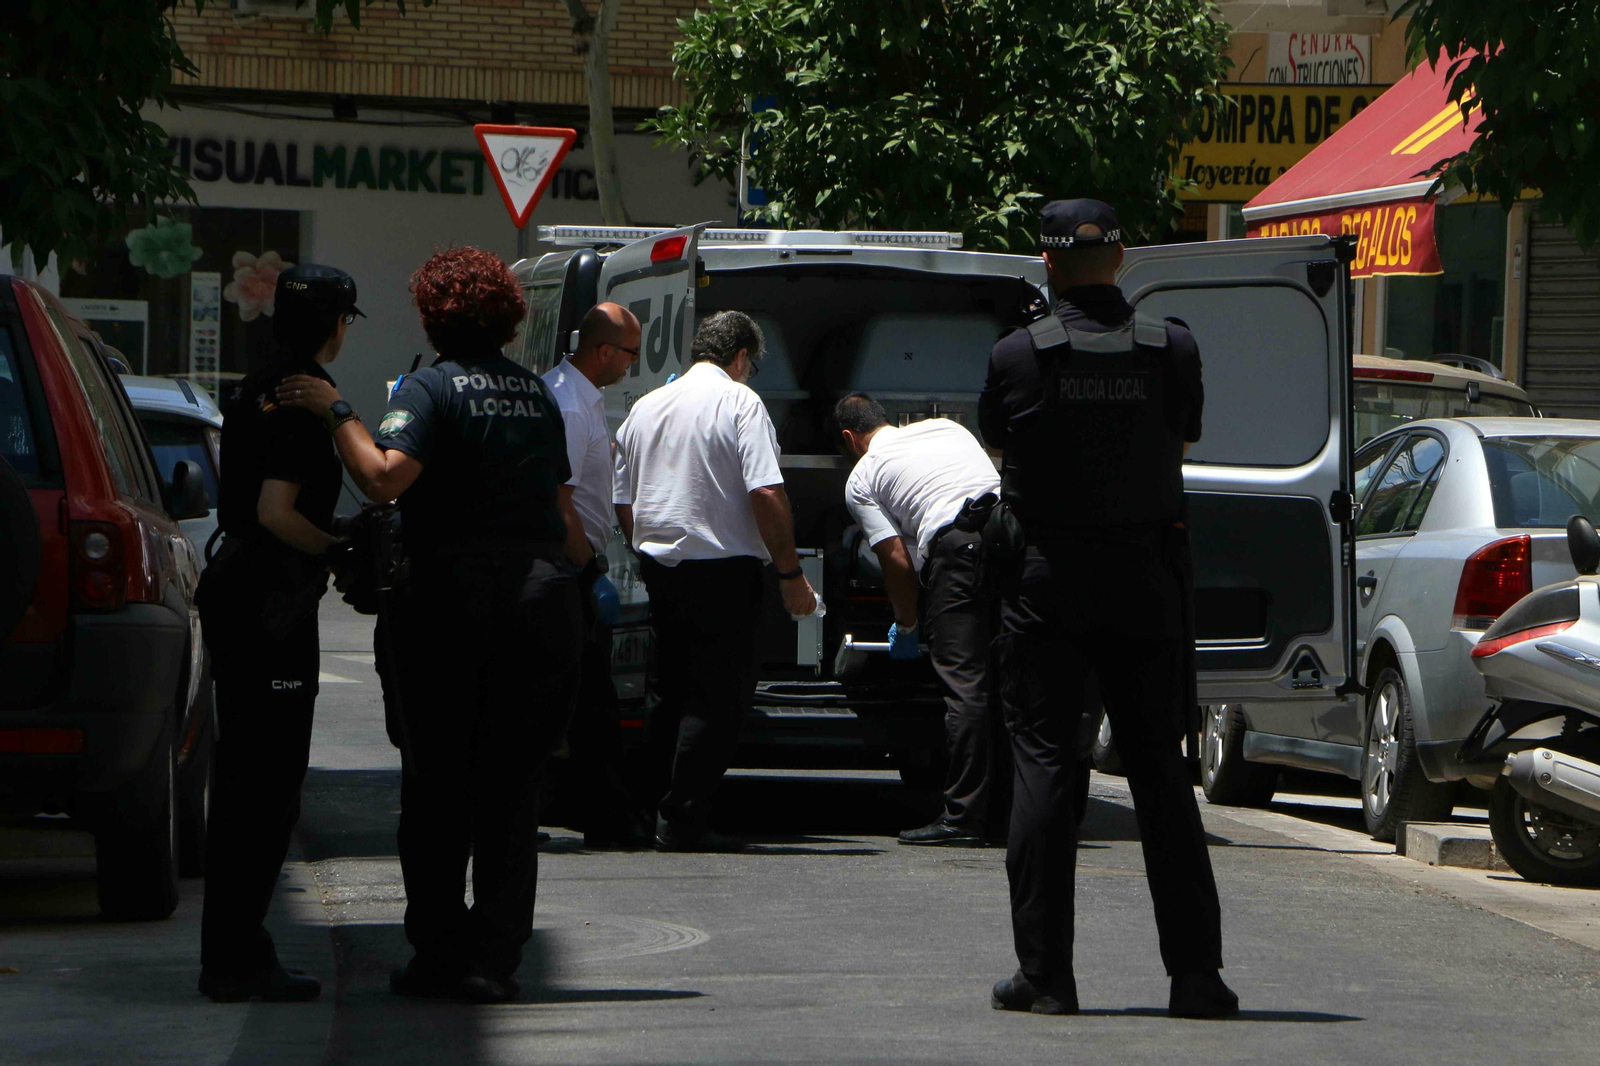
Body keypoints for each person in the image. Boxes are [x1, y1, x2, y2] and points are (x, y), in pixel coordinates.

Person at [277, 247, 581, 1004]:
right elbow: (563, 508)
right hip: (539, 597)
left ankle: (442, 955)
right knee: (511, 790)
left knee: (438, 783)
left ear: (433, 316)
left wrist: (337, 411)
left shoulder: (430, 387)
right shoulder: (536, 394)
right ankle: (496, 958)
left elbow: (383, 478)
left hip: (449, 598)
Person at [977, 199, 1237, 1019]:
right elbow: (1182, 442)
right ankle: (1196, 977)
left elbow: (1000, 445)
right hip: (1145, 578)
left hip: (1048, 581)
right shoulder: (1172, 348)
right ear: (1122, 259)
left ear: (1047, 264)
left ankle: (1046, 977)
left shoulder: (1019, 354)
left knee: (1045, 767)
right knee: (1161, 771)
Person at [197, 264, 364, 1003]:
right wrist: (338, 548)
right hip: (269, 604)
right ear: (337, 324)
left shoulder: (255, 383)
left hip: (239, 590)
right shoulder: (304, 397)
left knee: (244, 780)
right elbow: (275, 512)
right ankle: (237, 958)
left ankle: (230, 952)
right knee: (266, 788)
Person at [612, 310, 817, 852]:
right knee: (717, 699)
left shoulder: (647, 406)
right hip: (724, 573)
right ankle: (683, 818)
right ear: (742, 357)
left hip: (662, 569)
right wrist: (790, 573)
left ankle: (647, 811)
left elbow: (623, 498)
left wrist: (643, 547)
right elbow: (766, 492)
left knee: (668, 693)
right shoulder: (740, 402)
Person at [833, 395, 1008, 847]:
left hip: (958, 552)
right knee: (1011, 679)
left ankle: (964, 819)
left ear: (850, 438)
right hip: (1012, 539)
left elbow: (895, 560)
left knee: (966, 686)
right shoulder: (948, 427)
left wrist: (907, 624)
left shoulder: (862, 477)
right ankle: (1015, 811)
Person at [542, 302, 649, 847]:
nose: (633, 364)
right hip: (568, 568)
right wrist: (591, 572)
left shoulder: (579, 396)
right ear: (604, 350)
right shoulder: (568, 404)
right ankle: (607, 820)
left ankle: (581, 811)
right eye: (631, 353)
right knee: (588, 703)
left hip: (572, 565)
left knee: (576, 700)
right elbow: (558, 502)